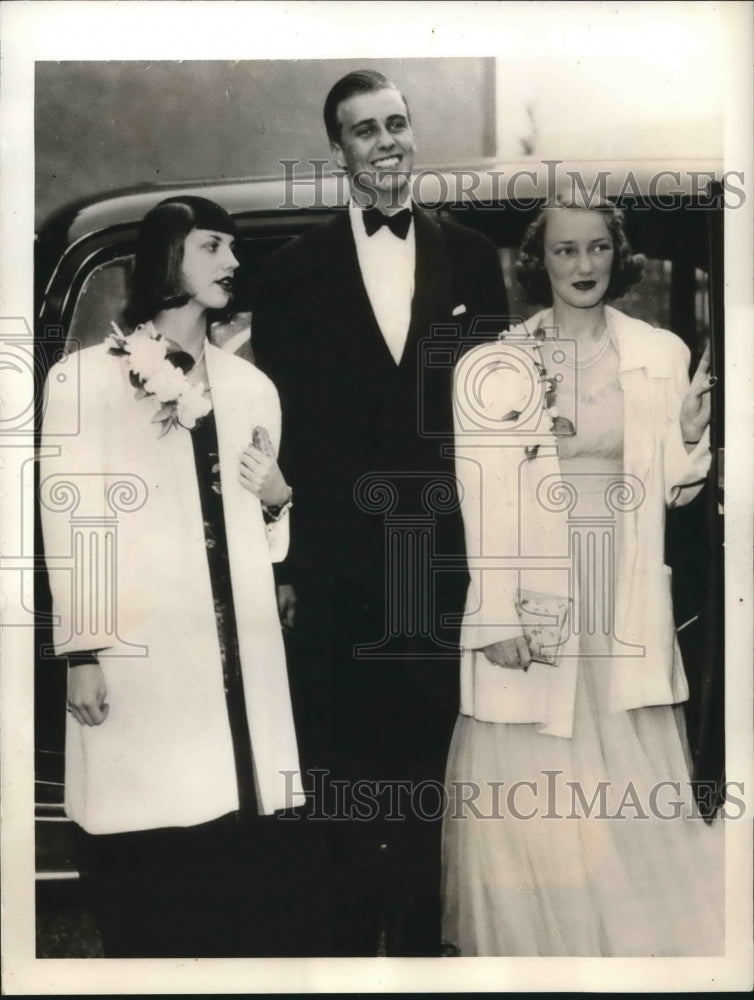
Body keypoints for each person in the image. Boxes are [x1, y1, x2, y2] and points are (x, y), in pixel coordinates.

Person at [251, 70, 508, 956]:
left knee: (435, 779)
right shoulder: (290, 275)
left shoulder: (473, 258)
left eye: (398, 123)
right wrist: (287, 570)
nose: (387, 141)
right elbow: (274, 435)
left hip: (443, 568)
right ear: (339, 151)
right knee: (347, 787)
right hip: (338, 579)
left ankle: (426, 953)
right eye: (365, 130)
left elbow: (496, 426)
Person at [443, 193, 724, 956]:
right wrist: (495, 614)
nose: (583, 266)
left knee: (628, 783)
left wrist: (691, 436)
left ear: (617, 256)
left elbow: (674, 486)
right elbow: (482, 495)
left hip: (621, 591)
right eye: (565, 251)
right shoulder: (493, 364)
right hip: (538, 595)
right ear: (540, 262)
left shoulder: (658, 352)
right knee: (541, 778)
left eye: (597, 248)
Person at [39, 196, 310, 958]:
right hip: (139, 648)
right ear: (166, 258)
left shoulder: (254, 388)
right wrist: (83, 651)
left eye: (231, 248)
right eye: (211, 247)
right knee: (144, 845)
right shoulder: (83, 381)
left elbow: (268, 542)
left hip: (232, 654)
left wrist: (278, 499)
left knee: (233, 839)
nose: (231, 262)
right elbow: (71, 520)